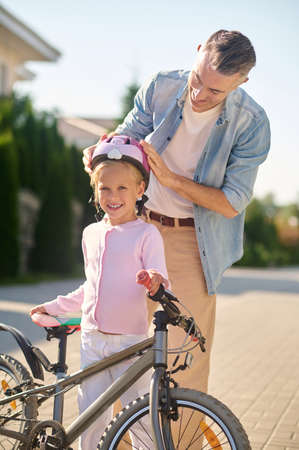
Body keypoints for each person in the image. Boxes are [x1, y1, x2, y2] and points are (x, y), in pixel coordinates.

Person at [83, 30, 271, 395]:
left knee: (183, 359)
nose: (200, 95)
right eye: (198, 80)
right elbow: (127, 137)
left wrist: (169, 179)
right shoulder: (162, 87)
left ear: (242, 81)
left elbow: (231, 202)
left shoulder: (252, 123)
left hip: (191, 242)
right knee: (121, 347)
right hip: (138, 226)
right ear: (197, 51)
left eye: (215, 91)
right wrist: (103, 150)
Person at [30, 135, 169, 449]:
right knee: (91, 418)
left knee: (142, 420)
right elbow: (89, 288)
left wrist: (153, 279)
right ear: (95, 190)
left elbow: (161, 276)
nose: (113, 195)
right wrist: (52, 306)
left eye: (122, 188)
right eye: (104, 187)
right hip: (93, 341)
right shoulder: (91, 233)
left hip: (131, 344)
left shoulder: (147, 234)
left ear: (140, 190)